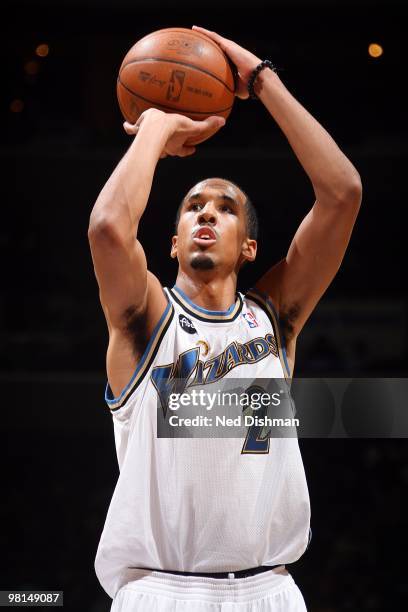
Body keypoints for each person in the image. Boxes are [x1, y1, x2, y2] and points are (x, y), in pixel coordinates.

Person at [89, 26, 362, 612]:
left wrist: (261, 80)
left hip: (271, 590)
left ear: (249, 249)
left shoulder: (276, 320)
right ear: (173, 242)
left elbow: (342, 193)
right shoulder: (144, 321)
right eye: (193, 207)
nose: (207, 212)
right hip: (161, 590)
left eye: (226, 207)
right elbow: (110, 228)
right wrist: (157, 129)